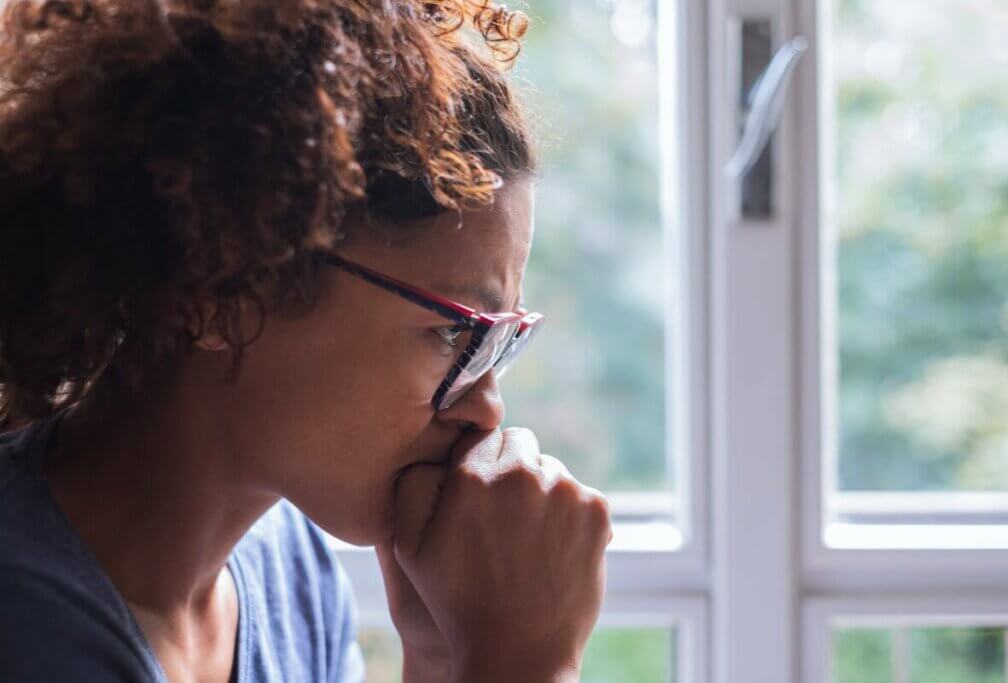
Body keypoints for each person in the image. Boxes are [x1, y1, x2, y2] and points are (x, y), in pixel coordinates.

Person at [0, 1, 612, 682]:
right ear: (223, 284)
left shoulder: (287, 565)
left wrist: (442, 654)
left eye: (499, 339)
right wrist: (524, 663)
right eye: (453, 330)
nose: (486, 409)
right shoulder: (27, 624)